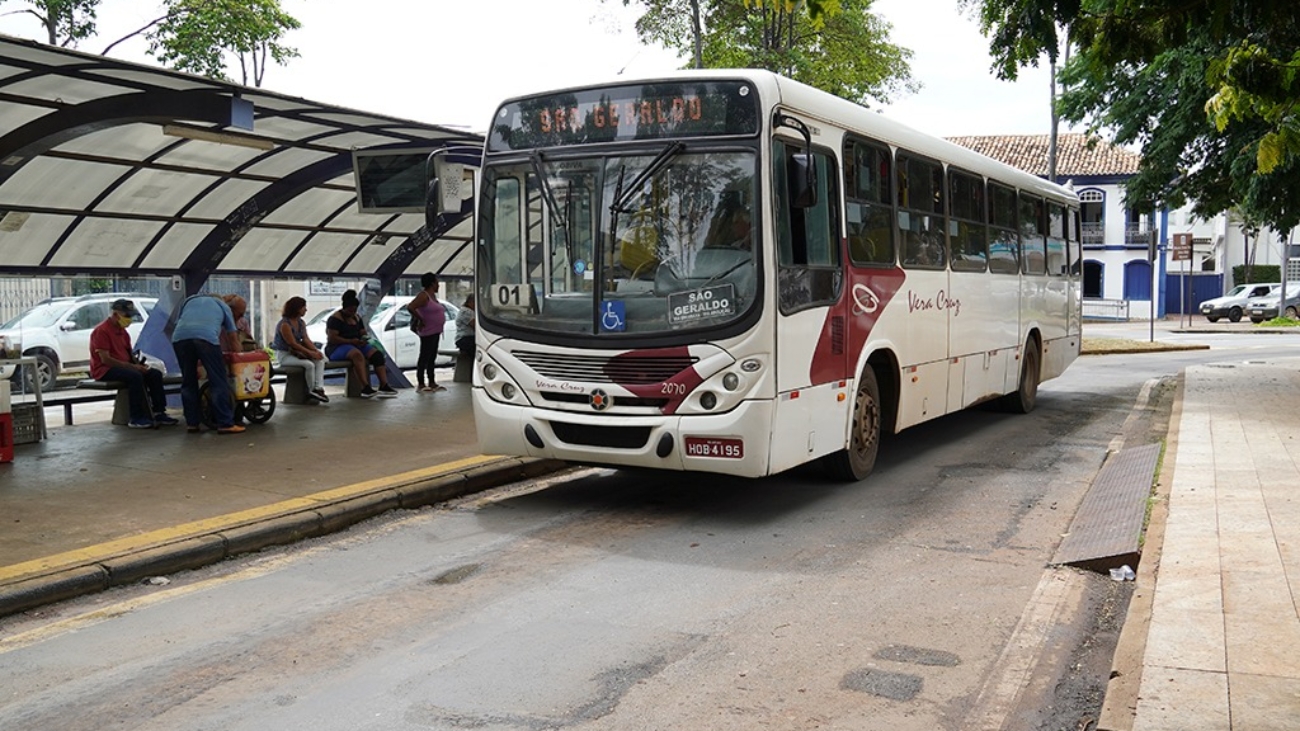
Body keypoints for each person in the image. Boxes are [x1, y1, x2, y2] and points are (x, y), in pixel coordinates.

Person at [89, 298, 179, 429]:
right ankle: (136, 417)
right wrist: (132, 367)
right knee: (134, 377)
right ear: (115, 314)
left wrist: (140, 365)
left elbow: (129, 354)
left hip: (125, 367)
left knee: (154, 374)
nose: (129, 319)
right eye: (127, 316)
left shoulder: (123, 333)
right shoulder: (101, 331)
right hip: (105, 369)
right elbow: (106, 359)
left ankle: (159, 411)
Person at [172, 293, 245, 434]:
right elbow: (232, 336)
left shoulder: (189, 300)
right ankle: (225, 423)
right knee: (218, 380)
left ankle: (192, 423)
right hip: (206, 339)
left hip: (180, 338)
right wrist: (240, 357)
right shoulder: (223, 306)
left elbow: (179, 322)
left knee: (188, 381)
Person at [326, 289, 395, 399]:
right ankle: (365, 386)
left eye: (354, 310)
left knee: (377, 355)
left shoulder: (357, 318)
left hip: (356, 344)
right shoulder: (335, 319)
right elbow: (332, 338)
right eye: (350, 311)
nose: (352, 313)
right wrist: (350, 341)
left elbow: (363, 332)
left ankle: (383, 384)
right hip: (337, 347)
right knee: (357, 355)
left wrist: (363, 339)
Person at [272, 296, 329, 403]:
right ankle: (311, 390)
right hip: (285, 355)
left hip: (298, 353)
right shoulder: (285, 324)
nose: (306, 310)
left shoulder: (301, 322)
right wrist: (310, 352)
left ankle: (319, 388)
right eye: (304, 307)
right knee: (309, 365)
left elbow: (306, 339)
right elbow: (292, 343)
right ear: (297, 308)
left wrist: (316, 351)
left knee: (320, 361)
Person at [407, 273, 447, 392]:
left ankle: (432, 381)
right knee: (425, 355)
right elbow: (411, 307)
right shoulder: (423, 296)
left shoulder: (433, 296)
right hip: (428, 331)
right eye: (437, 282)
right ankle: (421, 383)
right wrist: (421, 319)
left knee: (432, 356)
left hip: (436, 330)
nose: (438, 285)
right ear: (432, 283)